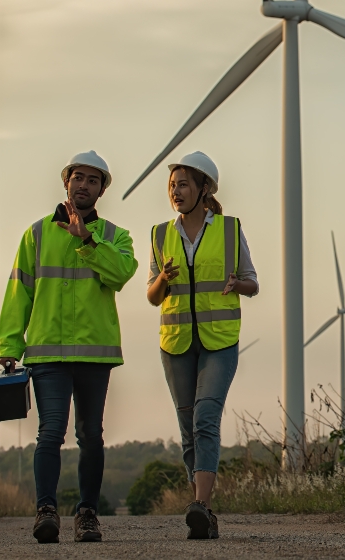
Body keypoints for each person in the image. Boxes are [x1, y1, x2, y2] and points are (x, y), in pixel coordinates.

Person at [0, 151, 138, 544]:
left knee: (91, 436)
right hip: (47, 353)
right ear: (66, 182)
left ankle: (87, 515)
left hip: (94, 353)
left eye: (93, 180)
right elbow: (19, 292)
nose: (84, 185)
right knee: (50, 433)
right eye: (79, 177)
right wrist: (9, 344)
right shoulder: (37, 234)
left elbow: (121, 274)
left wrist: (87, 240)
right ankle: (46, 512)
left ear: (102, 190)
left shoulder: (115, 236)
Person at [145, 151, 258, 540]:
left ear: (204, 188)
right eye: (172, 185)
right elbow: (152, 296)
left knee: (206, 418)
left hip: (219, 341)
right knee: (188, 426)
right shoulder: (160, 235)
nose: (175, 192)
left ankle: (201, 505)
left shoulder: (229, 229)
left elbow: (253, 282)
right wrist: (162, 278)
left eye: (183, 184)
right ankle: (202, 513)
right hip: (175, 343)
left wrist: (237, 284)